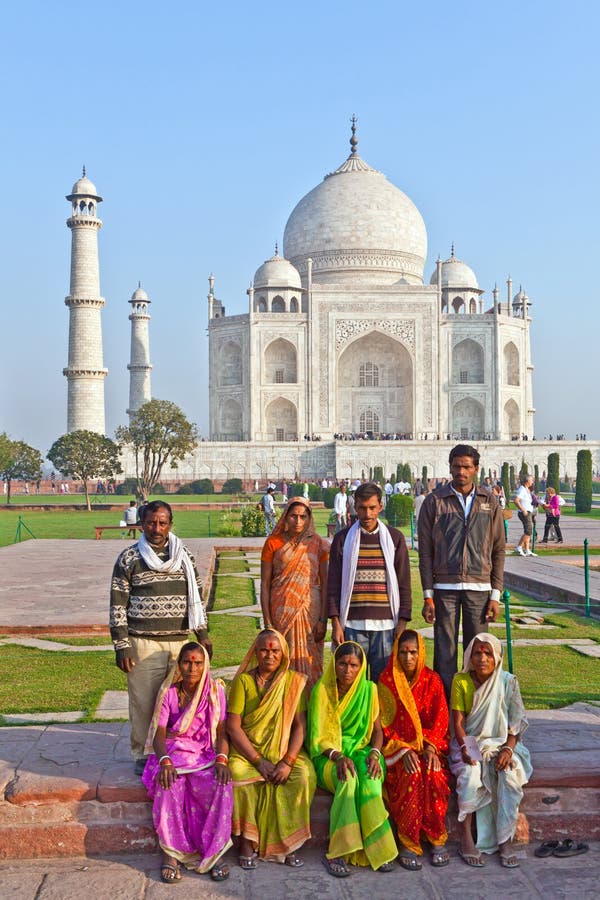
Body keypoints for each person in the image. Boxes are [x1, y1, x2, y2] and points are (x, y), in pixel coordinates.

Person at [110, 500, 211, 775]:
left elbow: (197, 597)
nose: (157, 528)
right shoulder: (129, 559)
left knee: (178, 702)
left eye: (162, 523)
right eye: (151, 522)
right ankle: (143, 752)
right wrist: (122, 646)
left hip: (179, 642)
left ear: (170, 524)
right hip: (142, 642)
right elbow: (118, 605)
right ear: (142, 523)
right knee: (144, 701)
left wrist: (202, 633)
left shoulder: (183, 556)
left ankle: (176, 750)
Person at [418, 444, 505, 698]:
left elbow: (498, 550)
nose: (461, 472)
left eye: (467, 467)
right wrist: (427, 594)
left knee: (478, 655)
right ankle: (445, 716)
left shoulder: (489, 501)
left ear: (476, 469)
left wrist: (495, 594)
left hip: (479, 588)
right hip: (444, 588)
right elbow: (425, 552)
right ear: (450, 467)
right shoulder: (435, 502)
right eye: (457, 466)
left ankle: (475, 712)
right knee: (444, 654)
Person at [142, 642, 233, 884]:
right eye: (187, 662)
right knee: (169, 784)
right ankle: (171, 854)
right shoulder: (169, 693)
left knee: (221, 784)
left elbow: (223, 731)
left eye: (198, 663)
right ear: (179, 665)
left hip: (203, 754)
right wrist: (164, 761)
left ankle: (214, 852)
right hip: (171, 754)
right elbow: (159, 735)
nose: (192, 668)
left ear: (205, 665)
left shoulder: (215, 691)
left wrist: (222, 759)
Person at [307, 641, 397, 877]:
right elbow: (317, 737)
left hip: (361, 751)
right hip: (327, 754)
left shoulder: (369, 690)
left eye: (353, 665)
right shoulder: (322, 691)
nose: (347, 670)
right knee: (347, 779)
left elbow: (377, 731)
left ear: (361, 667)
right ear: (334, 664)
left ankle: (376, 847)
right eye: (342, 664)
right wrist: (338, 757)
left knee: (370, 778)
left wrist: (376, 754)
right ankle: (338, 851)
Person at [227, 629, 316, 868]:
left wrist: (287, 762)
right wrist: (258, 761)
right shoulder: (243, 682)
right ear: (255, 652)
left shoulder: (294, 683)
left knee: (303, 775)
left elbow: (300, 726)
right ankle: (247, 840)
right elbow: (233, 727)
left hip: (283, 752)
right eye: (264, 650)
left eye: (275, 650)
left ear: (283, 654)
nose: (269, 655)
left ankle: (289, 844)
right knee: (236, 776)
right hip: (248, 753)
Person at [450, 634, 532, 869]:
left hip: (502, 742)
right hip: (470, 741)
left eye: (488, 653)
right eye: (477, 653)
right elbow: (458, 723)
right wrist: (466, 747)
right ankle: (466, 837)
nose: (482, 658)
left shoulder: (508, 682)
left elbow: (516, 723)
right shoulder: (461, 680)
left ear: (497, 657)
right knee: (470, 775)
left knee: (509, 774)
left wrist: (508, 748)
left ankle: (504, 840)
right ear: (470, 656)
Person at [378, 630, 450, 870]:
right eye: (403, 652)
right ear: (396, 652)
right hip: (398, 751)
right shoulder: (387, 681)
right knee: (412, 774)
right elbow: (385, 725)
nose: (408, 657)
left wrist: (430, 747)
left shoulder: (433, 680)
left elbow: (440, 721)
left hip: (429, 747)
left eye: (413, 652)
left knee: (435, 774)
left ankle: (436, 836)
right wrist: (404, 750)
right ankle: (408, 841)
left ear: (421, 653)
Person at [327, 482, 412, 682]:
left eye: (372, 508)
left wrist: (403, 620)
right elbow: (333, 584)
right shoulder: (342, 539)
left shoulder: (394, 538)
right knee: (352, 683)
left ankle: (378, 716)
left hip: (385, 624)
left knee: (381, 684)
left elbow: (403, 582)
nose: (367, 514)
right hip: (352, 623)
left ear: (380, 507)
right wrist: (335, 622)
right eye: (362, 508)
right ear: (354, 507)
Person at [260, 498, 329, 689]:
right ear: (285, 517)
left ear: (309, 519)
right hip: (281, 611)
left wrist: (323, 620)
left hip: (310, 612)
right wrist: (267, 621)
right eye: (294, 516)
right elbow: (265, 584)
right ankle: (284, 712)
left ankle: (308, 712)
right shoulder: (273, 543)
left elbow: (325, 584)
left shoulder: (318, 544)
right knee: (281, 658)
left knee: (310, 658)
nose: (298, 521)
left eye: (303, 517)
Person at [514, 475, 537, 556]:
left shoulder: (527, 489)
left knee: (528, 531)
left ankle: (527, 550)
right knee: (528, 531)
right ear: (527, 481)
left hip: (528, 512)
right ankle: (519, 547)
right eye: (531, 480)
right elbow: (516, 501)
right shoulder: (522, 489)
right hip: (525, 513)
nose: (532, 482)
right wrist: (523, 510)